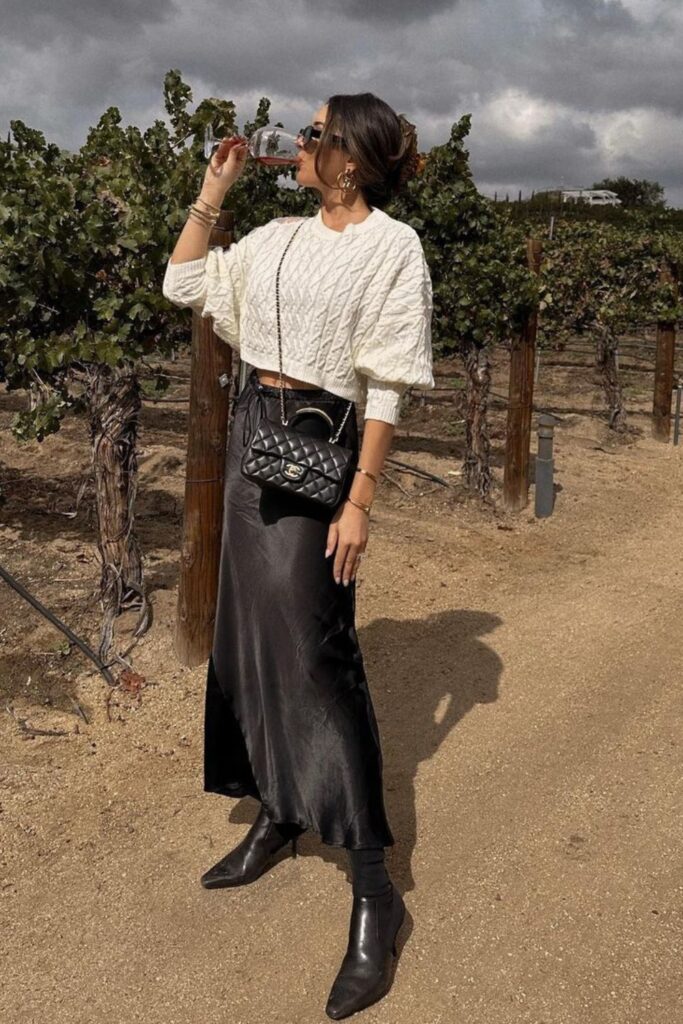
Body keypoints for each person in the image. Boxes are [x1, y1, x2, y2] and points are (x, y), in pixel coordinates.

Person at [162, 92, 434, 1019]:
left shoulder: (391, 247)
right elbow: (184, 285)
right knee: (249, 637)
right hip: (250, 442)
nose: (301, 145)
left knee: (319, 657)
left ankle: (374, 887)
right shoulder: (276, 235)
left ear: (349, 159)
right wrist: (213, 191)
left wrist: (360, 499)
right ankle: (279, 810)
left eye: (316, 135)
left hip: (320, 448)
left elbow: (389, 380)